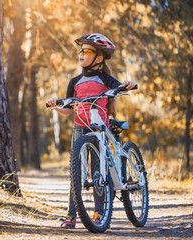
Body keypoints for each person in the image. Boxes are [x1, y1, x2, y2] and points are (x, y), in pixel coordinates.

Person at [46, 33, 137, 229]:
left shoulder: (106, 79)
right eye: (80, 51)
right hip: (80, 127)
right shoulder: (75, 81)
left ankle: (100, 213)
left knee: (98, 172)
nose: (81, 54)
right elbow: (67, 110)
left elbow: (119, 87)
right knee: (76, 173)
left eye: (86, 51)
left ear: (99, 57)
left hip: (100, 128)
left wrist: (127, 85)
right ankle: (71, 216)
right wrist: (56, 104)